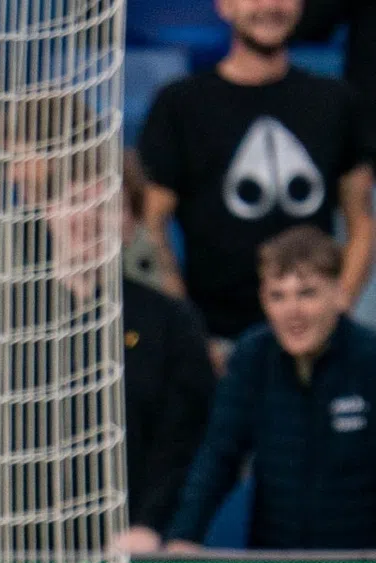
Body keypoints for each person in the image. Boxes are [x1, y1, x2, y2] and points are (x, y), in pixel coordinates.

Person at [0, 155, 218, 556]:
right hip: (6, 549)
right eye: (75, 200)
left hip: (125, 550)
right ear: (48, 211)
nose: (87, 218)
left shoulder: (172, 323)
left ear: (132, 224)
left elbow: (183, 442)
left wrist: (149, 525)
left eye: (107, 206)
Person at [137, 0, 376, 348]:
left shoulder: (336, 101)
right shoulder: (180, 105)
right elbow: (151, 226)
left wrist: (337, 310)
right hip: (217, 341)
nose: (270, 5)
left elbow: (362, 222)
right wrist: (193, 338)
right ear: (224, 5)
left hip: (319, 342)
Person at [166, 225, 376, 551]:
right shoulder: (253, 356)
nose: (293, 312)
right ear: (263, 300)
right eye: (278, 296)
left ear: (339, 293)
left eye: (307, 293)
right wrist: (184, 537)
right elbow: (219, 455)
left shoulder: (368, 357)